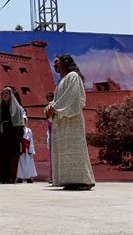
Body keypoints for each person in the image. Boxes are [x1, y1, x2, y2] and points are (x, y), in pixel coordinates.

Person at [45, 55, 95, 191]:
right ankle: (70, 180)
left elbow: (72, 96)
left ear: (64, 62)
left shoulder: (73, 76)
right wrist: (50, 106)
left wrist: (55, 108)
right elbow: (58, 99)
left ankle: (84, 181)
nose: (54, 63)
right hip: (61, 120)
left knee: (75, 148)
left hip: (72, 120)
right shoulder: (61, 81)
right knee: (65, 151)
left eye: (57, 61)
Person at [0, 87, 25, 184]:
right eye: (2, 93)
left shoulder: (16, 108)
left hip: (13, 134)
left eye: (6, 93)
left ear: (10, 95)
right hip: (1, 134)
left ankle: (10, 177)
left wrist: (19, 136)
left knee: (12, 156)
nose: (4, 95)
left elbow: (20, 123)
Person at [17, 116, 37, 183]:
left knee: (28, 163)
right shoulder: (18, 129)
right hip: (21, 149)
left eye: (24, 121)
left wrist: (31, 150)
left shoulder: (28, 130)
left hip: (27, 149)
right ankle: (20, 177)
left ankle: (29, 177)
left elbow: (31, 140)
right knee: (20, 164)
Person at [45, 91, 54, 183]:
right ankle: (52, 176)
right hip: (52, 133)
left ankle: (53, 177)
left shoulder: (50, 108)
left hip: (54, 134)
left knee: (53, 156)